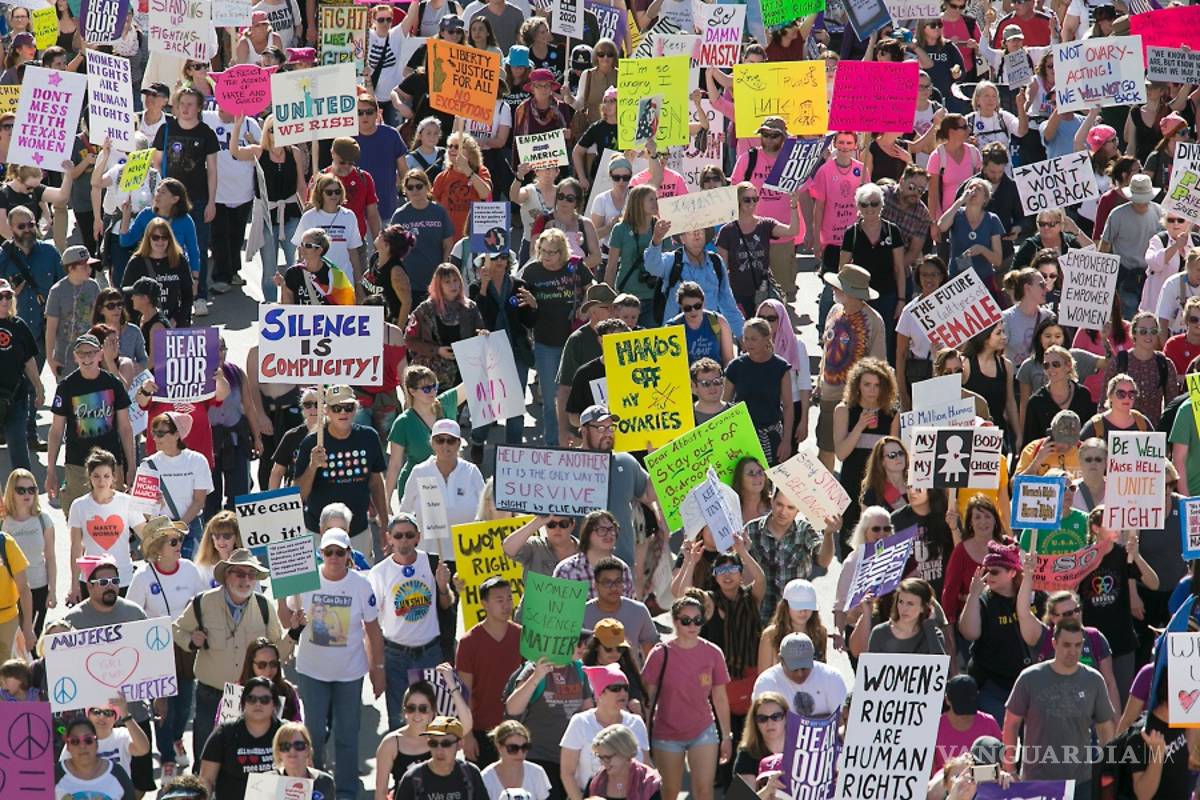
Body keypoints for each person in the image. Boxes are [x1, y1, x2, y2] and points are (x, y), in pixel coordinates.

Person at [280, 527, 383, 798]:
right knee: (313, 734)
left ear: (349, 555)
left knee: (347, 734)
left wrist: (377, 669)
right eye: (329, 552)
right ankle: (315, 788)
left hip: (350, 672)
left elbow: (373, 630)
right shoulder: (306, 581)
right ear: (321, 554)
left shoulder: (361, 585)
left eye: (340, 552)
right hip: (312, 671)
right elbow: (288, 617)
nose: (334, 557)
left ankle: (347, 791)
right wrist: (291, 619)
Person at [173, 548, 284, 761]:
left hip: (250, 696)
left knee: (244, 758)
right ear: (227, 575)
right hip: (211, 694)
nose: (246, 580)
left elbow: (277, 648)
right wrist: (191, 640)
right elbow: (176, 629)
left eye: (251, 575)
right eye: (239, 573)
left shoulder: (264, 606)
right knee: (206, 755)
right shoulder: (203, 602)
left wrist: (295, 633)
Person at [63, 553, 156, 794]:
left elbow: (152, 661)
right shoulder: (73, 620)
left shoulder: (135, 613)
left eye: (114, 580)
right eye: (103, 582)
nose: (110, 586)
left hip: (133, 713)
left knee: (139, 783)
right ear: (89, 586)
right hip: (93, 722)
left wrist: (161, 697)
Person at [125, 516, 206, 778]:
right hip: (155, 649)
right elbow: (131, 615)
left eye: (180, 539)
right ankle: (168, 756)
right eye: (173, 541)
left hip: (185, 647)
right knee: (163, 708)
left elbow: (203, 604)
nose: (179, 544)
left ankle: (176, 738)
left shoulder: (190, 569)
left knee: (184, 704)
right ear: (157, 547)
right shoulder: (142, 576)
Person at [1002, 617, 1116, 797]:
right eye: (1067, 645)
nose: (1072, 651)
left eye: (1078, 645)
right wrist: (1010, 768)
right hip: (1037, 780)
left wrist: (1107, 768)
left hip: (1080, 781)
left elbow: (1105, 728)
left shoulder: (1094, 680)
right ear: (1054, 643)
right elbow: (1011, 723)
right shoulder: (1030, 678)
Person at [369, 513, 457, 730]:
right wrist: (376, 667)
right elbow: (370, 622)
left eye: (409, 535)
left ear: (417, 537)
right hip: (396, 656)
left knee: (436, 722)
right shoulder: (379, 573)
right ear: (389, 539)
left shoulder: (433, 563)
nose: (404, 540)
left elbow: (447, 605)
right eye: (398, 536)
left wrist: (443, 587)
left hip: (430, 653)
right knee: (400, 723)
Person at [641, 592, 731, 800]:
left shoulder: (713, 653)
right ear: (675, 622)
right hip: (666, 733)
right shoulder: (660, 653)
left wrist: (726, 736)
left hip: (703, 730)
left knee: (704, 791)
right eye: (686, 620)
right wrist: (644, 736)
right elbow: (648, 698)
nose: (692, 625)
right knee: (669, 792)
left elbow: (719, 698)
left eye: (697, 620)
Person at [294, 385, 389, 554]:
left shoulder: (369, 437)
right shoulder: (312, 443)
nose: (343, 413)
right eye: (336, 408)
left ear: (356, 408)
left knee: (361, 579)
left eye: (348, 407)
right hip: (319, 533)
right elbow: (299, 494)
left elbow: (376, 483)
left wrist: (384, 522)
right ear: (326, 412)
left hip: (358, 531)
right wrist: (312, 466)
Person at [150, 87, 219, 317]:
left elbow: (212, 171)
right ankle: (172, 294)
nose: (186, 108)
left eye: (191, 104)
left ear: (199, 108)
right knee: (165, 245)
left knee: (197, 246)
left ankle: (200, 295)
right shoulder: (166, 129)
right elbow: (156, 163)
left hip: (198, 199)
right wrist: (158, 195)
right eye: (182, 104)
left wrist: (212, 202)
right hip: (169, 201)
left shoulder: (206, 133)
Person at [375, 675, 474, 799]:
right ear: (404, 711)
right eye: (411, 708)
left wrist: (451, 685)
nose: (417, 714)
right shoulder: (391, 743)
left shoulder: (441, 734)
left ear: (433, 711)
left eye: (423, 708)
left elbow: (467, 724)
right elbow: (381, 791)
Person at [561, 662, 651, 799]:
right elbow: (567, 773)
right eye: (615, 688)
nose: (623, 693)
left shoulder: (636, 722)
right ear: (600, 694)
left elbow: (645, 767)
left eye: (625, 688)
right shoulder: (580, 722)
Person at [199, 675, 285, 797]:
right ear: (243, 703)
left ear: (275, 704)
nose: (258, 704)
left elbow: (304, 774)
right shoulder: (224, 733)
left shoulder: (287, 733)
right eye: (251, 699)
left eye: (265, 699)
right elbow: (206, 780)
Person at [751, 632, 848, 716]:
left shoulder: (831, 677)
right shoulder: (767, 682)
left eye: (805, 668)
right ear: (781, 660)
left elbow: (841, 720)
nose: (800, 674)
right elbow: (763, 724)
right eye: (794, 669)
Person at [0, 279, 42, 470]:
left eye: (8, 295)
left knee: (19, 450)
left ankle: (27, 496)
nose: (4, 300)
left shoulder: (19, 325)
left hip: (15, 398)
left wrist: (39, 388)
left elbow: (29, 360)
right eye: (0, 296)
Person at [395, 716, 488, 800]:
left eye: (446, 744)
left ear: (460, 744)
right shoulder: (413, 778)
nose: (439, 750)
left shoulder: (471, 774)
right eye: (433, 744)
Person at [44, 245, 101, 381]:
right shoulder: (57, 291)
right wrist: (51, 360)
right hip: (65, 357)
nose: (89, 269)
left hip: (90, 355)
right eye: (84, 266)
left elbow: (98, 320)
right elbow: (51, 328)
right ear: (71, 268)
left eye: (90, 265)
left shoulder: (93, 286)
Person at [56, 717, 137, 800]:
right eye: (75, 741)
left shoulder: (118, 773)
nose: (82, 746)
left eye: (88, 740)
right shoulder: (55, 775)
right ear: (68, 746)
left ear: (97, 744)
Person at [269, 722, 336, 800]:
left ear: (307, 750)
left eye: (298, 745)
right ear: (278, 752)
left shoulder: (325, 782)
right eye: (285, 746)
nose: (292, 751)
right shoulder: (267, 782)